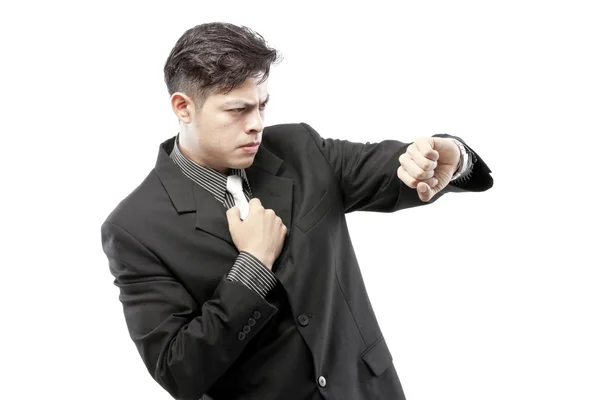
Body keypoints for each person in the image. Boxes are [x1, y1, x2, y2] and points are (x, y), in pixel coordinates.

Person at [100, 22, 493, 400]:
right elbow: (179, 371)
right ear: (183, 107)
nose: (257, 124)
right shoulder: (134, 228)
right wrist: (253, 265)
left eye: (262, 105)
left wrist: (450, 156)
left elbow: (397, 166)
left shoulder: (299, 148)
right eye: (237, 110)